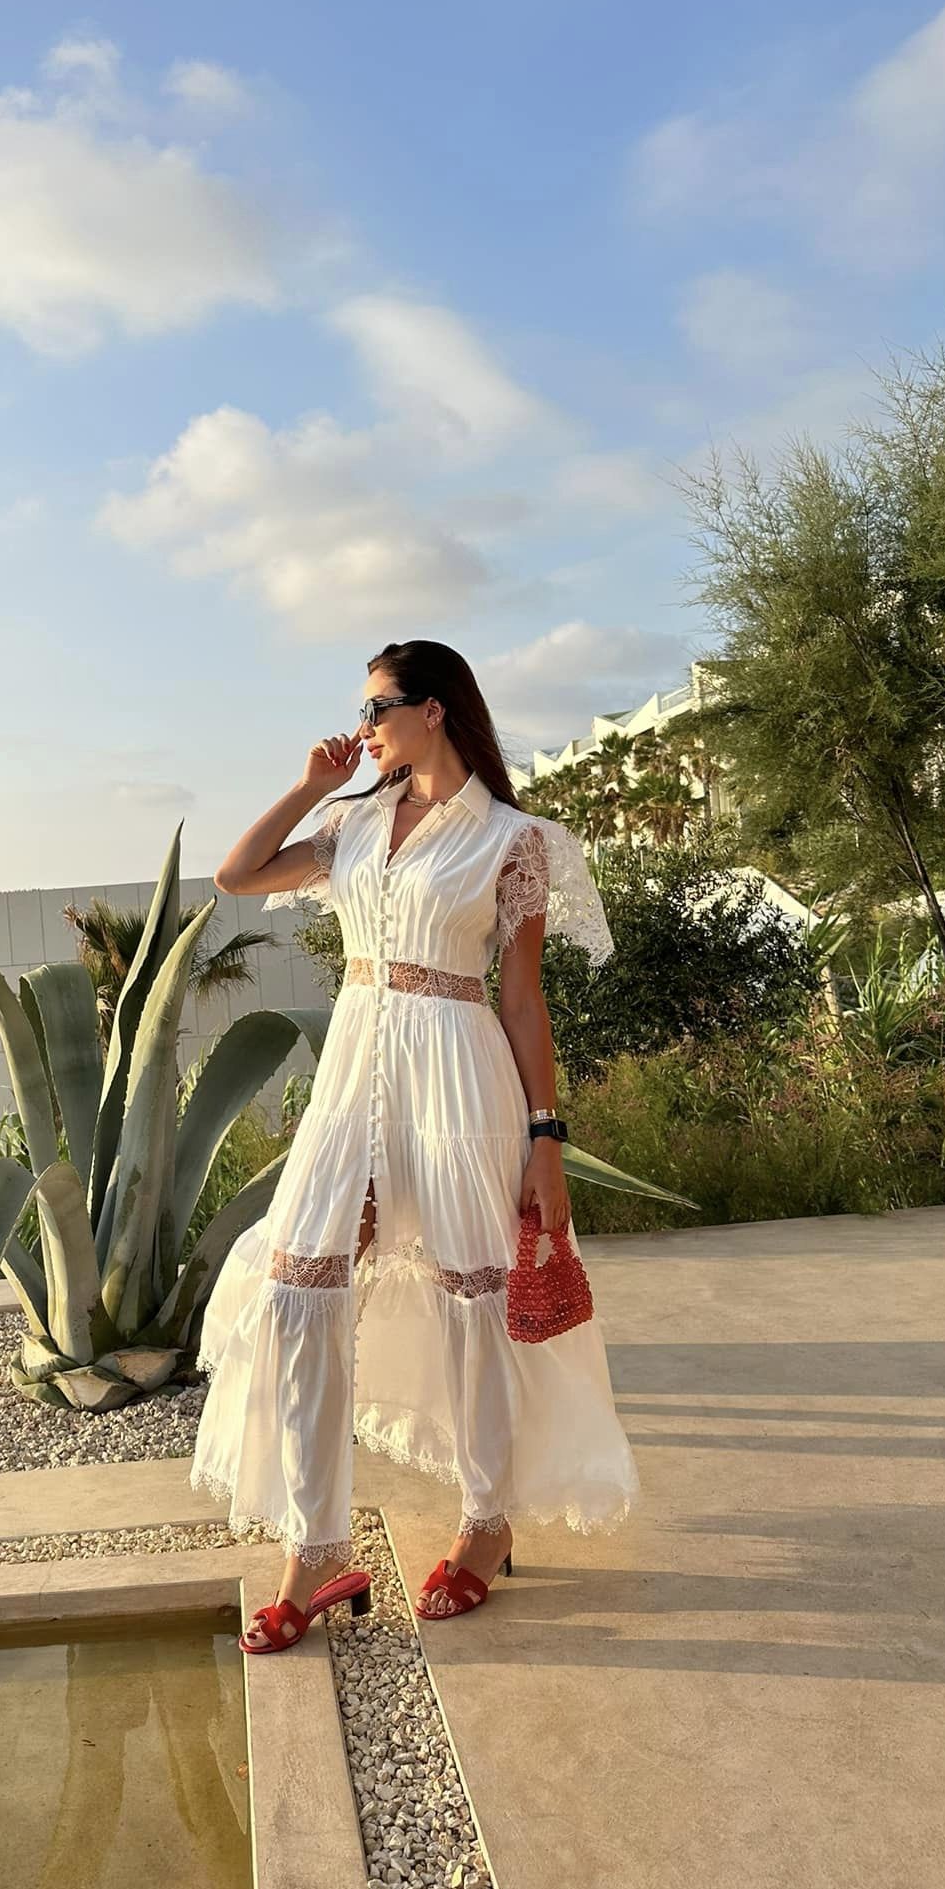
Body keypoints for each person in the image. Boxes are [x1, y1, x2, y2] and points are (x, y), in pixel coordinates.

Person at [190, 640, 641, 1652]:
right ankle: (317, 1548)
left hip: (460, 1078)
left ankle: (486, 1521)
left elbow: (522, 1001)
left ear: (434, 709)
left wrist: (547, 1139)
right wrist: (312, 785)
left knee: (471, 1305)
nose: (364, 725)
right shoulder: (351, 821)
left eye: (378, 706)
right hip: (354, 1073)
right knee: (299, 1292)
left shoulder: (512, 840)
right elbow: (238, 874)